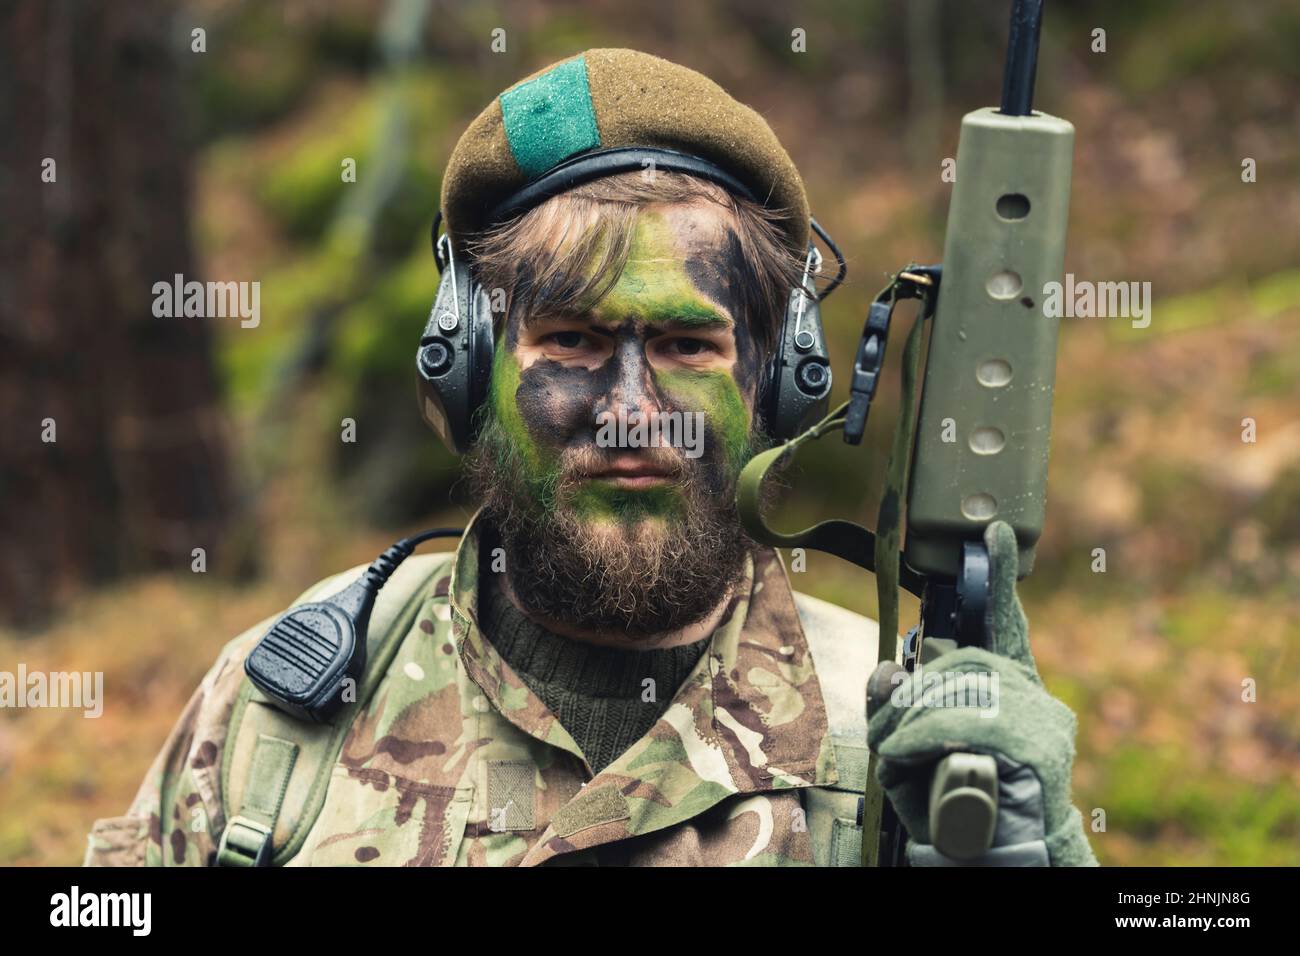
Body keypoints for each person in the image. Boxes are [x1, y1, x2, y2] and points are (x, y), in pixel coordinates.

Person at [85, 48, 1096, 867]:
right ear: (466, 367)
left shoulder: (904, 753)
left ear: (778, 383)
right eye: (570, 340)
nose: (629, 412)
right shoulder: (284, 715)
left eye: (687, 346)